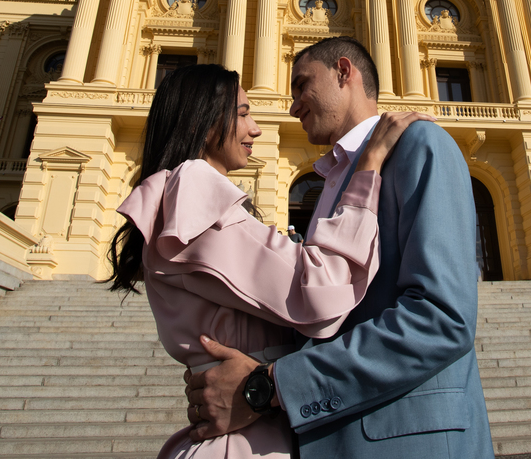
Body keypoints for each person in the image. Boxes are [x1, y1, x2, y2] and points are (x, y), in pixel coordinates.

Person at [185, 36, 494, 458]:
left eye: (302, 85)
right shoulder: (336, 177)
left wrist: (271, 385)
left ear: (344, 73)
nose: (293, 106)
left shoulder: (420, 144)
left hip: (410, 441)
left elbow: (441, 318)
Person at [108, 63, 429, 459]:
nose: (256, 129)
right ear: (201, 122)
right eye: (243, 114)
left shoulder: (178, 194)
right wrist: (369, 165)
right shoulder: (193, 188)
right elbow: (320, 290)